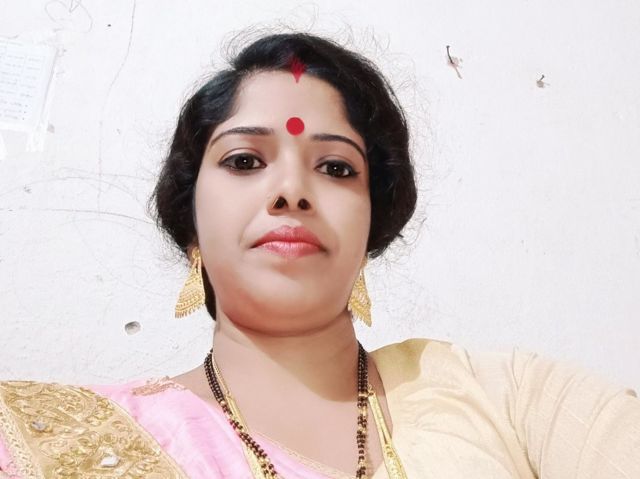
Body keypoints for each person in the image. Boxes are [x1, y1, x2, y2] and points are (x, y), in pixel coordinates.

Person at [0, 31, 638, 479]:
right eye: (244, 160)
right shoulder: (51, 439)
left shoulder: (508, 397)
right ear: (190, 222)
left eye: (335, 167)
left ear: (371, 227)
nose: (290, 191)